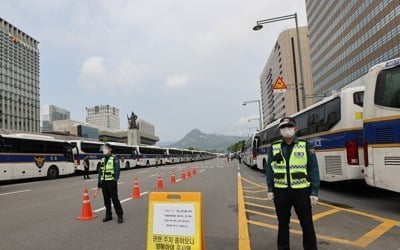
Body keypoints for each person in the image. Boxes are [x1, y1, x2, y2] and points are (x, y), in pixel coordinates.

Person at [265, 117, 320, 250]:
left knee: (306, 223)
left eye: (289, 127)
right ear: (280, 131)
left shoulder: (306, 145)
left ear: (296, 129)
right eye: (283, 127)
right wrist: (270, 189)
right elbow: (270, 170)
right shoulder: (274, 147)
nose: (286, 130)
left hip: (301, 190)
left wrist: (314, 191)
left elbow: (313, 169)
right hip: (280, 191)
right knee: (282, 223)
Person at [93, 143, 124, 224]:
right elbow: (100, 172)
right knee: (106, 200)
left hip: (111, 182)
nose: (104, 150)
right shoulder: (102, 159)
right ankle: (108, 215)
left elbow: (117, 170)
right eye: (103, 148)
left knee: (115, 199)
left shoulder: (114, 158)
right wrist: (99, 183)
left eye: (106, 148)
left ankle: (120, 215)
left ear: (110, 149)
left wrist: (115, 180)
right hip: (104, 182)